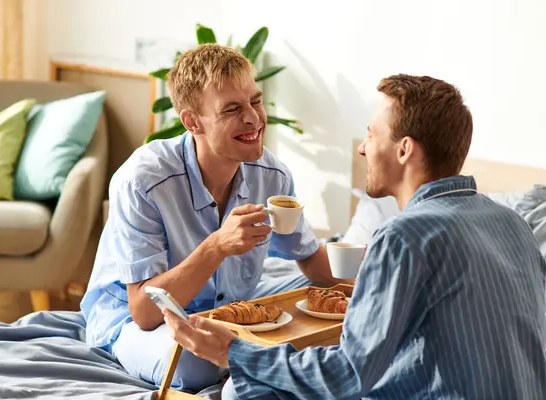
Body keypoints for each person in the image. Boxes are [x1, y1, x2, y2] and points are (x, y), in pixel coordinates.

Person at [164, 74, 546, 399]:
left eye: (370, 134)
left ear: (404, 150)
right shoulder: (512, 224)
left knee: (246, 389)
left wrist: (233, 352)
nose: (362, 148)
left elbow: (346, 375)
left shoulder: (404, 236)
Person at [80, 43, 341, 392]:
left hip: (231, 311)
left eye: (256, 101)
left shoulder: (272, 175)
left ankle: (253, 360)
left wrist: (375, 275)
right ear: (192, 121)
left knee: (327, 312)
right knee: (194, 367)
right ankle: (254, 363)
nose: (253, 118)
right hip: (136, 320)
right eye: (232, 109)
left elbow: (311, 262)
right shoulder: (143, 181)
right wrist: (216, 246)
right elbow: (144, 311)